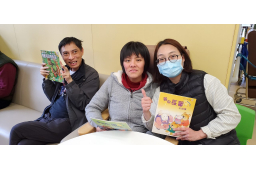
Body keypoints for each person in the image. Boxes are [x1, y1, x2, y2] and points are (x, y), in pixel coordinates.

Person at [141, 38, 241, 145]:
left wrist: (201, 133)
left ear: (183, 58)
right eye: (162, 59)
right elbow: (156, 128)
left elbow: (232, 116)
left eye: (173, 56)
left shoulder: (206, 81)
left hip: (219, 142)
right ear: (157, 64)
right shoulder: (160, 90)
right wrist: (146, 112)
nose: (168, 62)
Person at [9, 37, 100, 145]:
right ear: (61, 56)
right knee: (23, 144)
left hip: (68, 123)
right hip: (49, 117)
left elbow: (84, 104)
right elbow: (52, 97)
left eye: (74, 52)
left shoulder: (91, 75)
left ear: (82, 51)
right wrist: (47, 78)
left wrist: (70, 81)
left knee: (16, 129)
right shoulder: (61, 70)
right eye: (66, 54)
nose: (71, 57)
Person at [85, 41, 162, 137]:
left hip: (140, 139)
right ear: (123, 63)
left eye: (138, 60)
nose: (132, 64)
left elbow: (158, 127)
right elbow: (92, 107)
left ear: (145, 63)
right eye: (128, 60)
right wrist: (99, 125)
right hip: (113, 136)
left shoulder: (155, 87)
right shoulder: (113, 81)